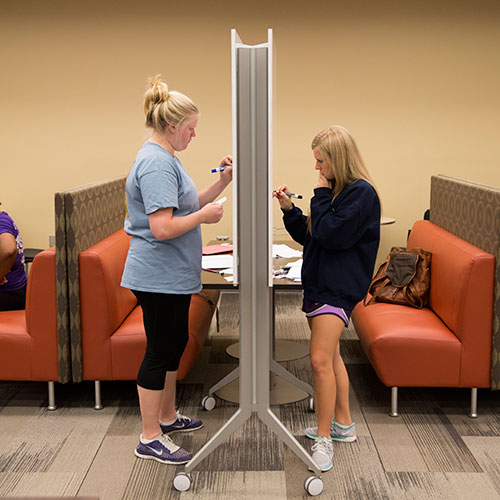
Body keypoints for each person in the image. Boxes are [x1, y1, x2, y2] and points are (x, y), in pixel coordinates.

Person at [121, 76, 233, 465]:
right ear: (171, 127)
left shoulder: (167, 157)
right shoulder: (154, 164)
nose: (194, 134)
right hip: (156, 274)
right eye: (190, 128)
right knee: (160, 350)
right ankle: (149, 436)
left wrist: (221, 184)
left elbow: (182, 206)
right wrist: (204, 216)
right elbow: (162, 227)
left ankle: (166, 417)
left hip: (169, 273)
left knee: (172, 346)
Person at [274, 125, 380, 472]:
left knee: (319, 361)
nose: (318, 169)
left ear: (339, 159)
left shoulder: (362, 194)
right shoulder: (337, 192)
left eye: (322, 162)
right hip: (322, 285)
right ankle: (343, 426)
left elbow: (332, 235)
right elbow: (313, 235)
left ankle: (323, 437)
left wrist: (319, 196)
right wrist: (290, 209)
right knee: (332, 358)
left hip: (338, 290)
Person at [0, 206, 27, 311]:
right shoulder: (5, 218)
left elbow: (9, 250)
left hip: (9, 294)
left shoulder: (1, 222)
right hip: (16, 292)